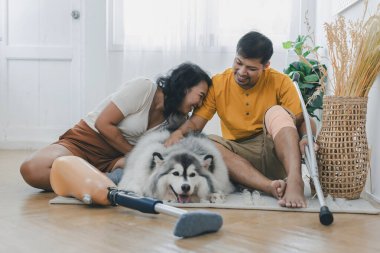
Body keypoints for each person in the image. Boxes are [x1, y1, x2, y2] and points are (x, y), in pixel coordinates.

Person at [165, 31, 317, 208]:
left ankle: (295, 181)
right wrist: (178, 133)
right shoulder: (218, 84)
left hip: (273, 152)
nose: (242, 72)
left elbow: (305, 120)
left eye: (252, 69)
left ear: (266, 66)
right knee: (204, 142)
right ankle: (268, 186)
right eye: (239, 63)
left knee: (277, 111)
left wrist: (307, 137)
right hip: (236, 158)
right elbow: (195, 124)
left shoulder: (280, 82)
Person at [20, 62, 212, 191]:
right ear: (185, 86)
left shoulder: (176, 120)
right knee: (32, 170)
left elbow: (189, 139)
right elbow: (103, 124)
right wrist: (134, 155)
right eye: (201, 96)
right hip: (85, 141)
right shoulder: (144, 88)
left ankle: (93, 181)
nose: (200, 103)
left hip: (116, 159)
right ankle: (101, 181)